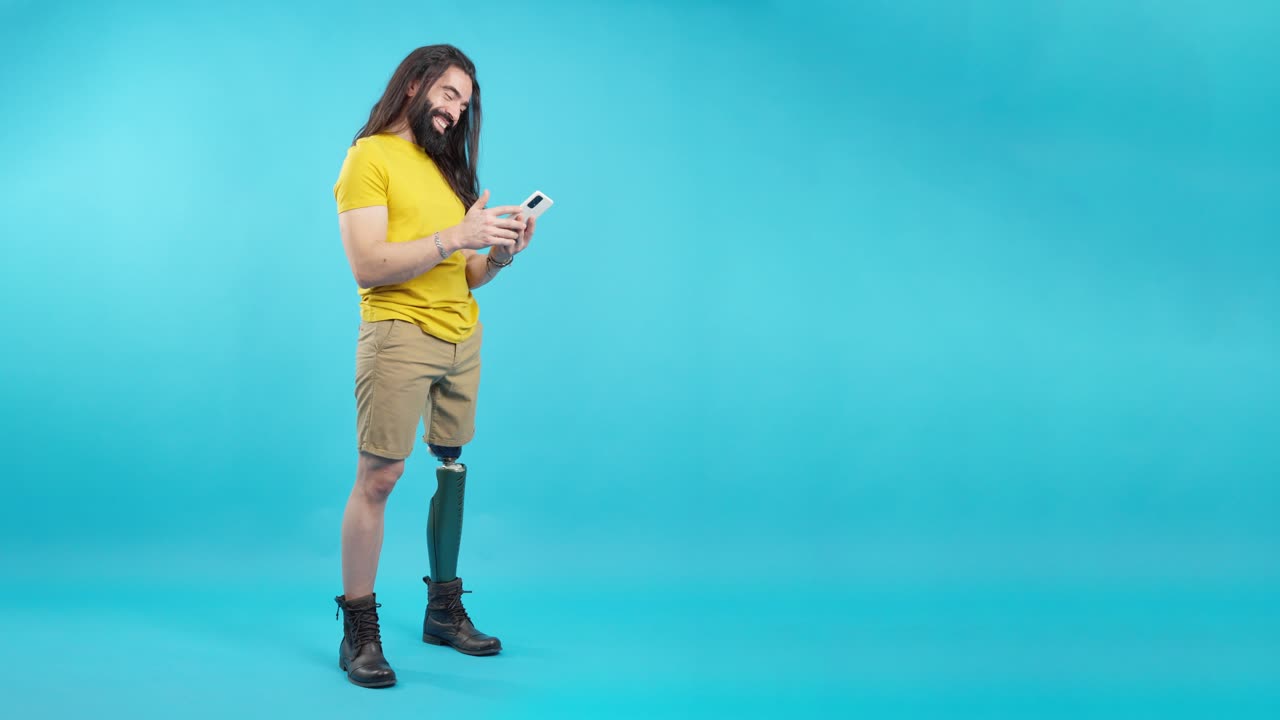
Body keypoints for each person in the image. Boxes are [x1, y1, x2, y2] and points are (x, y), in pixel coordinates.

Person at [330, 44, 537, 689]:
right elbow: (368, 264)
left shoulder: (448, 169)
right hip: (399, 332)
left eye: (464, 104)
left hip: (460, 335)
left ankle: (443, 609)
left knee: (451, 468)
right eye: (447, 95)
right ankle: (359, 629)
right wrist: (457, 236)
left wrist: (501, 250)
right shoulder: (369, 158)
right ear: (415, 83)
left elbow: (466, 273)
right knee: (381, 476)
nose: (453, 112)